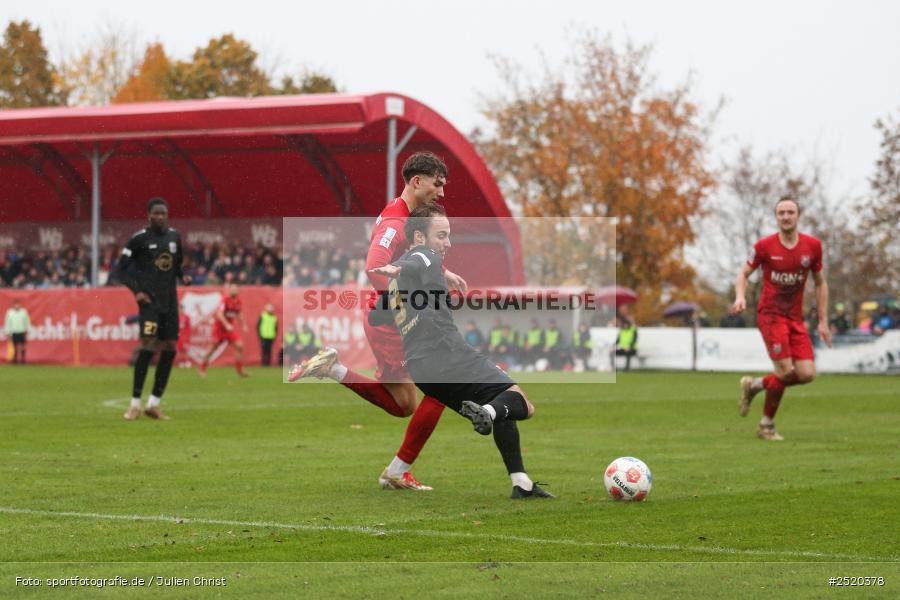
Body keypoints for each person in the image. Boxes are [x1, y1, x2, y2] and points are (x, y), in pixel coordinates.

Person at [289, 152, 468, 491]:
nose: (441, 192)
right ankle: (398, 471)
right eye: (437, 183)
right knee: (444, 383)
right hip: (393, 322)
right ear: (417, 181)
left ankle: (334, 369)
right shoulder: (394, 222)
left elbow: (412, 257)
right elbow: (375, 268)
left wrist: (443, 272)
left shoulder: (409, 217)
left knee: (404, 405)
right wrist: (407, 305)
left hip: (392, 319)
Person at [368, 204, 552, 498]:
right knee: (520, 403)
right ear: (418, 237)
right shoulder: (421, 256)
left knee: (501, 402)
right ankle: (488, 414)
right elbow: (417, 261)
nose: (447, 243)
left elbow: (375, 316)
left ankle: (522, 483)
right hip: (447, 352)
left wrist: (397, 287)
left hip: (422, 370)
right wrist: (401, 268)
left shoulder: (399, 282)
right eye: (441, 235)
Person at [732, 195, 832, 441]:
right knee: (786, 371)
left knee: (807, 373)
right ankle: (766, 425)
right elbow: (743, 274)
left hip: (794, 318)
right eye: (781, 213)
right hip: (771, 315)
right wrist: (740, 296)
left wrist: (823, 320)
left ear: (798, 216)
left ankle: (755, 384)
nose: (786, 216)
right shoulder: (765, 246)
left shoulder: (812, 246)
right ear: (776, 218)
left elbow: (820, 283)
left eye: (790, 212)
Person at [115, 197, 190, 420]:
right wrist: (137, 291)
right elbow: (121, 270)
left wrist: (182, 276)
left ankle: (154, 404)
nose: (160, 217)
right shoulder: (138, 239)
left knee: (169, 346)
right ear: (148, 215)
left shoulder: (174, 237)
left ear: (167, 215)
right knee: (147, 345)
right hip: (149, 303)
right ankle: (134, 404)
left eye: (163, 213)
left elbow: (176, 265)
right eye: (156, 213)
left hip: (169, 302)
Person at [198, 283, 249, 378]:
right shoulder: (225, 300)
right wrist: (226, 324)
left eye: (235, 288)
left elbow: (239, 313)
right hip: (220, 329)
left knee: (240, 346)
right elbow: (219, 314)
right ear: (229, 290)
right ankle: (202, 368)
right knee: (212, 349)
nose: (234, 290)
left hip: (229, 330)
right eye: (232, 288)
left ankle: (239, 370)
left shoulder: (238, 301)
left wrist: (244, 325)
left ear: (238, 290)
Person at [4, 298, 30, 364]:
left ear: (20, 305)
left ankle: (23, 360)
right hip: (14, 331)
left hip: (21, 331)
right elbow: (7, 322)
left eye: (18, 304)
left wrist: (27, 329)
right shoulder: (10, 312)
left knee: (22, 346)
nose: (17, 306)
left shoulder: (24, 312)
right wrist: (7, 331)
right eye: (16, 305)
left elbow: (27, 321)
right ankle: (15, 360)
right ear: (13, 305)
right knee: (14, 346)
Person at [176, 301, 193, 368]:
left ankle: (187, 361)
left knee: (185, 350)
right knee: (180, 350)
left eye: (181, 308)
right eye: (179, 308)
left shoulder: (186, 317)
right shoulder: (176, 317)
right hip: (178, 336)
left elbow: (188, 327)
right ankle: (181, 362)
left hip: (184, 336)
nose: (180, 310)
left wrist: (187, 336)